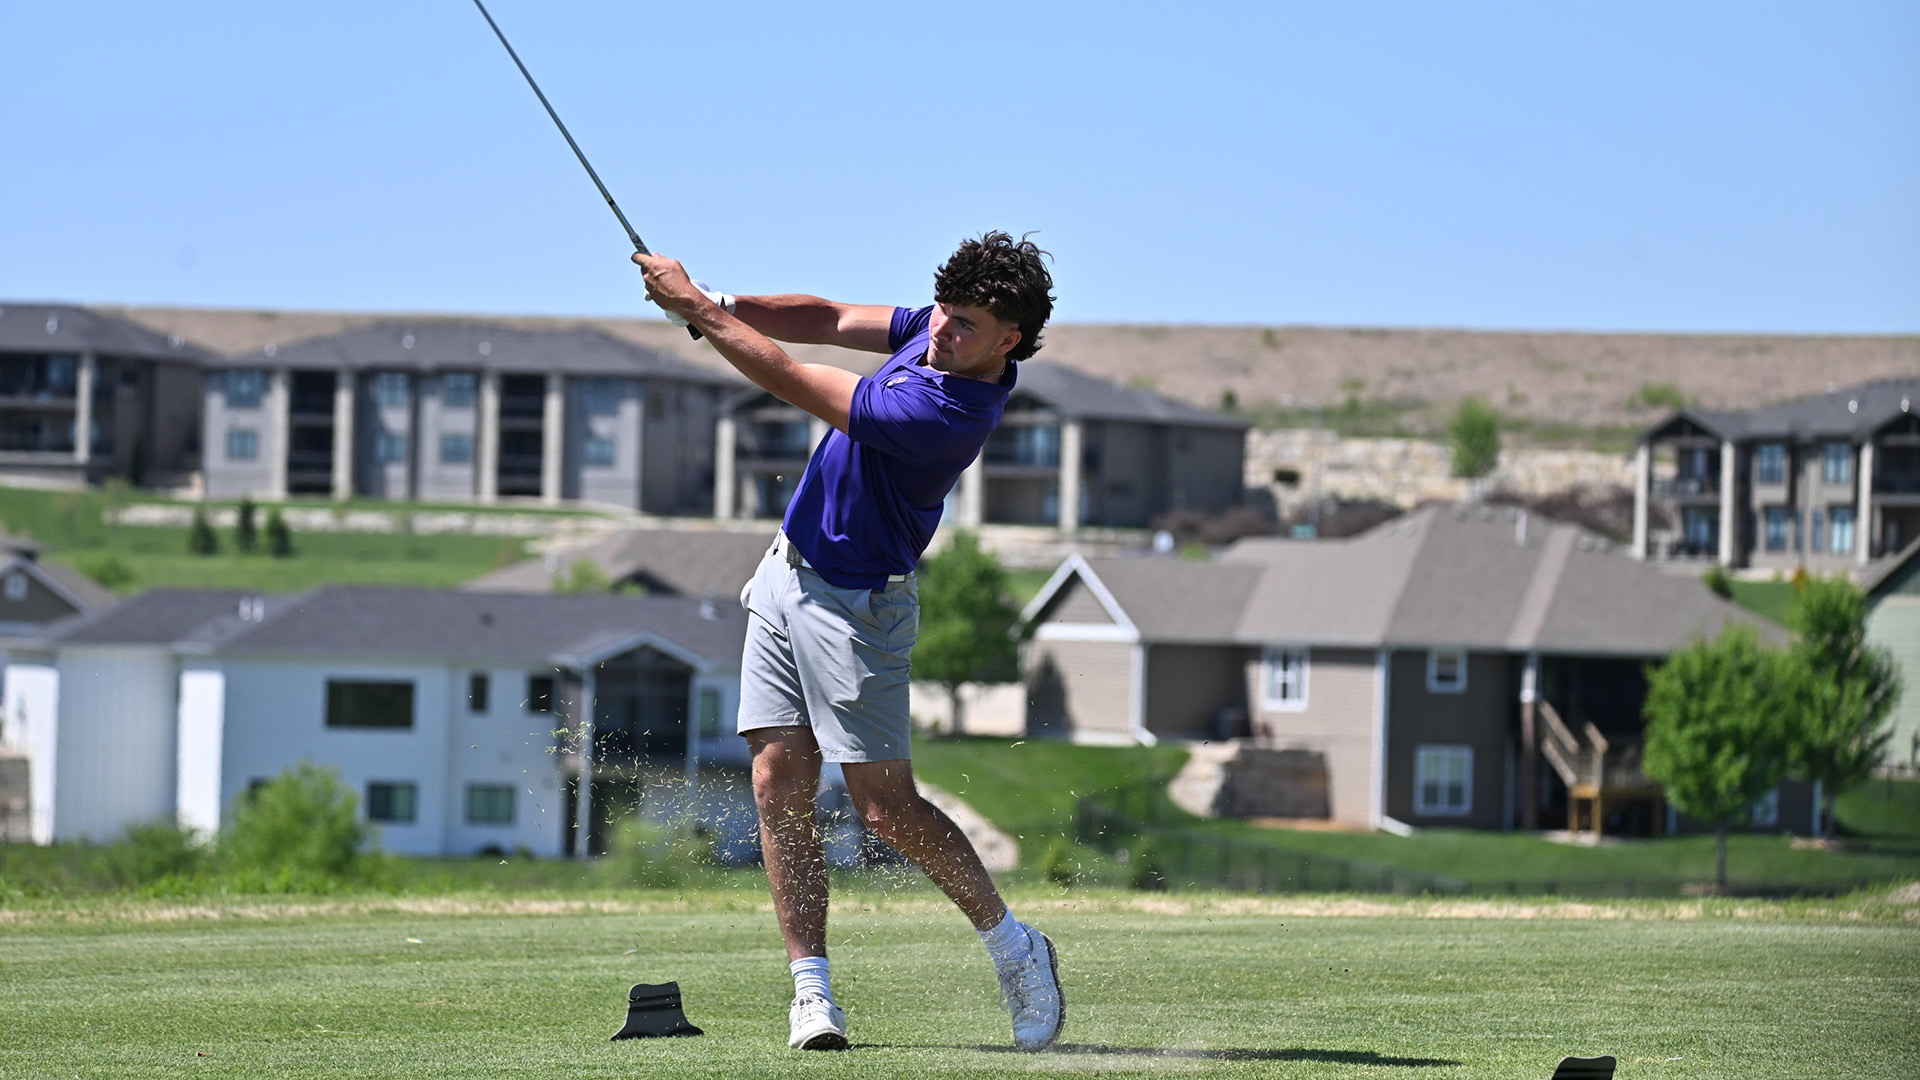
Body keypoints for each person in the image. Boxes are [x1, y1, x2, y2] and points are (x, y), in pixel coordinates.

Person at [635, 233, 1063, 1053]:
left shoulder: (948, 414)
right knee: (776, 781)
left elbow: (794, 379)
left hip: (857, 608)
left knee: (883, 807)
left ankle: (1016, 947)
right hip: (785, 573)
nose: (942, 329)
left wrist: (690, 307)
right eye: (942, 310)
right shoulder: (932, 333)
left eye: (966, 324)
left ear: (1008, 340)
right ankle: (812, 992)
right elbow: (829, 319)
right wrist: (719, 304)